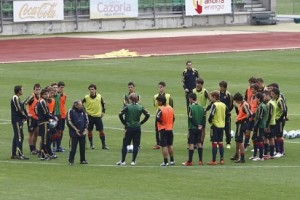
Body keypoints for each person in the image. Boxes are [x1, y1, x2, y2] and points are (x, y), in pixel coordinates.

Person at [117, 94, 150, 166]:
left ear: (131, 100)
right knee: (136, 145)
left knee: (125, 144)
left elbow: (120, 114)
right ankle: (133, 161)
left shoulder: (128, 107)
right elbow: (148, 115)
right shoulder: (140, 107)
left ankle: (123, 161)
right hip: (137, 128)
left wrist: (124, 123)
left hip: (129, 128)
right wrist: (141, 122)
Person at [82, 84, 108, 150]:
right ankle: (91, 144)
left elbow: (103, 104)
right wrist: (84, 110)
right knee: (89, 131)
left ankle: (103, 145)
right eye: (90, 89)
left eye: (93, 89)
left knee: (101, 131)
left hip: (98, 116)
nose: (91, 91)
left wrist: (103, 112)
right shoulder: (86, 97)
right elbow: (81, 103)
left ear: (95, 90)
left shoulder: (99, 96)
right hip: (89, 116)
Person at [182, 93, 205, 166]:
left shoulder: (190, 107)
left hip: (192, 128)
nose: (189, 100)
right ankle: (200, 161)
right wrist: (200, 125)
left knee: (191, 144)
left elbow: (190, 117)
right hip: (200, 128)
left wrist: (196, 125)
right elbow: (203, 118)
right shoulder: (201, 107)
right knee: (199, 143)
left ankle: (190, 161)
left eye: (189, 99)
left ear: (191, 99)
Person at [37, 89, 58, 160]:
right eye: (45, 94)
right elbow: (46, 113)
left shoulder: (43, 102)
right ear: (42, 95)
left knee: (47, 139)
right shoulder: (42, 102)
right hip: (44, 123)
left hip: (44, 122)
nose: (47, 95)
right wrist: (53, 117)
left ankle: (47, 153)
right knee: (45, 139)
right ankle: (43, 155)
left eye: (47, 94)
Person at [231, 92, 252, 163]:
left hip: (241, 124)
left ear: (238, 99)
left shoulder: (244, 104)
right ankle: (237, 155)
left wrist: (243, 120)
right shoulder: (241, 104)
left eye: (236, 100)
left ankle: (242, 158)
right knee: (237, 139)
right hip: (239, 123)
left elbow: (249, 113)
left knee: (239, 140)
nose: (236, 102)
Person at [207, 91, 227, 165]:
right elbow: (227, 114)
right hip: (222, 126)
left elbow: (212, 114)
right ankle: (222, 159)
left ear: (215, 97)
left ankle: (214, 160)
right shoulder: (223, 105)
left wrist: (209, 121)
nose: (210, 99)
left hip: (215, 125)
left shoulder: (214, 105)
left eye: (211, 97)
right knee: (220, 143)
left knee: (214, 143)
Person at [152, 81, 173, 150]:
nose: (160, 88)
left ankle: (166, 142)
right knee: (157, 128)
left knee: (167, 128)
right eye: (159, 87)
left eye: (161, 87)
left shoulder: (168, 96)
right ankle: (158, 143)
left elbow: (171, 106)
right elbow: (155, 105)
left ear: (164, 87)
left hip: (166, 114)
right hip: (158, 113)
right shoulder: (155, 96)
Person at [67, 100, 89, 166]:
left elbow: (87, 120)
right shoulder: (70, 111)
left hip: (82, 132)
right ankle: (71, 160)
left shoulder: (83, 111)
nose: (81, 106)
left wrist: (85, 129)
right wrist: (75, 130)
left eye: (81, 105)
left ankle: (82, 159)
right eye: (79, 105)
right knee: (73, 147)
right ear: (75, 105)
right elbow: (69, 122)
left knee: (82, 147)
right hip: (74, 133)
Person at [156, 95, 175, 166]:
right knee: (170, 145)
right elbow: (173, 118)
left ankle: (166, 161)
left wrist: (162, 122)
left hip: (163, 129)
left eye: (158, 101)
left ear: (161, 102)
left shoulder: (161, 109)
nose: (157, 102)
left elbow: (157, 117)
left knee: (164, 146)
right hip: (170, 129)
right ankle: (172, 160)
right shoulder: (170, 108)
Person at [10, 85, 29, 160]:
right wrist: (25, 116)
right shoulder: (15, 98)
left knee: (17, 136)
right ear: (19, 91)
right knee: (20, 136)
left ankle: (14, 154)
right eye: (22, 89)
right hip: (16, 120)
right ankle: (20, 154)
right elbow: (18, 109)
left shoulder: (17, 98)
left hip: (18, 120)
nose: (22, 91)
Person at [192, 78, 210, 148]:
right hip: (195, 112)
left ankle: (201, 143)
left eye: (199, 83)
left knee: (202, 128)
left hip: (202, 113)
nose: (197, 84)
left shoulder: (205, 91)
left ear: (202, 85)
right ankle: (195, 143)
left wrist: (206, 108)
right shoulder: (193, 91)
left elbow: (211, 100)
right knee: (194, 127)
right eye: (197, 83)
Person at [23, 83, 41, 155]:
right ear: (34, 90)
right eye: (36, 89)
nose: (38, 91)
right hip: (31, 118)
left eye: (39, 89)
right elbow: (23, 104)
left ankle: (34, 147)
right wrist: (26, 114)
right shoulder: (31, 97)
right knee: (31, 133)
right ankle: (31, 149)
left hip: (37, 118)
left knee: (36, 133)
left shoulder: (39, 97)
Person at [249, 93, 267, 161]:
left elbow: (260, 118)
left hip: (260, 125)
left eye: (256, 98)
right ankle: (255, 155)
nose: (255, 99)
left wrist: (256, 127)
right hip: (258, 125)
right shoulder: (260, 106)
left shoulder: (262, 106)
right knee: (254, 139)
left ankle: (261, 156)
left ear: (259, 99)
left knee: (260, 140)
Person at [271, 87, 287, 158]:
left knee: (279, 136)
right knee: (275, 135)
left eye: (273, 94)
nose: (272, 95)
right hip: (276, 120)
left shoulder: (280, 101)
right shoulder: (275, 100)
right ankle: (277, 150)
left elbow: (284, 110)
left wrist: (280, 119)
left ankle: (281, 152)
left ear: (277, 94)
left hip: (280, 121)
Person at [218, 81, 233, 149]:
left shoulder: (228, 94)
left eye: (222, 87)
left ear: (225, 87)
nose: (221, 88)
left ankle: (228, 142)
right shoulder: (218, 94)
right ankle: (219, 142)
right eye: (220, 86)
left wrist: (228, 111)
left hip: (226, 115)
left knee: (227, 129)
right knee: (219, 129)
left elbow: (231, 104)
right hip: (219, 114)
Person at [244, 83, 259, 150]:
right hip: (251, 116)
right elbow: (250, 106)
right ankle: (245, 146)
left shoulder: (258, 97)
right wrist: (248, 114)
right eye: (251, 89)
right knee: (247, 131)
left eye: (253, 89)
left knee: (256, 132)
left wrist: (253, 116)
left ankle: (256, 147)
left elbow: (258, 108)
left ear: (256, 90)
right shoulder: (251, 97)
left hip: (256, 117)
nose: (252, 90)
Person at [263, 91, 276, 159]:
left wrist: (267, 125)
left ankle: (270, 154)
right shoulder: (271, 102)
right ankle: (267, 154)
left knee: (270, 138)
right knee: (266, 138)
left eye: (264, 96)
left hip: (270, 124)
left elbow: (270, 115)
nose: (263, 97)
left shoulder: (270, 104)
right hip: (271, 123)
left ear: (267, 95)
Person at [56, 81, 67, 152]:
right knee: (57, 131)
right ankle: (56, 146)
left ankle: (58, 145)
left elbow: (63, 104)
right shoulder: (55, 95)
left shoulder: (64, 95)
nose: (62, 89)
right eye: (61, 87)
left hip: (63, 115)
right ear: (58, 87)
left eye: (63, 87)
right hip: (57, 115)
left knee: (62, 131)